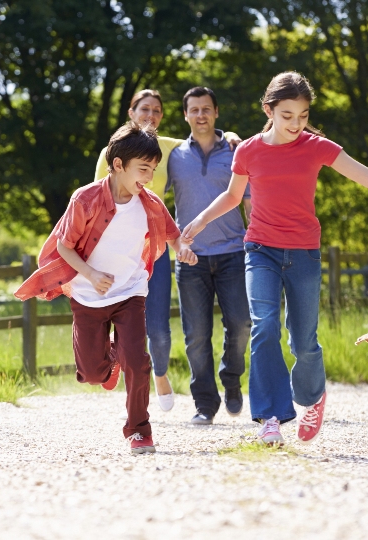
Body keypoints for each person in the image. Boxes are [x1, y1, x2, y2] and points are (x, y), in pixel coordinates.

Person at [180, 72, 368, 445]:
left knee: (304, 341)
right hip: (259, 249)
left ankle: (312, 398)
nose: (296, 124)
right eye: (288, 115)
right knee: (264, 327)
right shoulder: (247, 150)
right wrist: (198, 221)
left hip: (304, 253)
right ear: (269, 110)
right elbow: (233, 197)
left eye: (303, 115)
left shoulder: (317, 147)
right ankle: (270, 417)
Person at [18, 121, 198, 454]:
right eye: (143, 168)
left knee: (138, 360)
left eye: (153, 169)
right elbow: (64, 246)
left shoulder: (150, 203)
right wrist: (89, 273)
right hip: (88, 295)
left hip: (130, 291)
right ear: (118, 165)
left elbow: (173, 236)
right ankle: (110, 358)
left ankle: (139, 429)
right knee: (91, 373)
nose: (149, 176)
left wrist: (183, 250)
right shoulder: (85, 199)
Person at [93, 90, 240, 411]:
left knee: (159, 332)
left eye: (157, 110)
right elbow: (96, 200)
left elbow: (205, 139)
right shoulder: (110, 153)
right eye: (144, 109)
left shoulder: (171, 148)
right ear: (131, 112)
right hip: (117, 251)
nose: (151, 115)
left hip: (154, 250)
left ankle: (159, 374)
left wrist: (230, 135)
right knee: (111, 317)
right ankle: (114, 362)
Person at [166, 86, 252, 425]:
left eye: (206, 109)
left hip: (233, 252)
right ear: (185, 115)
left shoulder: (235, 150)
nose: (200, 115)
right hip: (190, 258)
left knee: (242, 324)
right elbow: (155, 200)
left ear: (216, 112)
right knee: (196, 336)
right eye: (194, 110)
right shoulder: (173, 156)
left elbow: (250, 200)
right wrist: (175, 240)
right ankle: (205, 404)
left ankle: (231, 379)